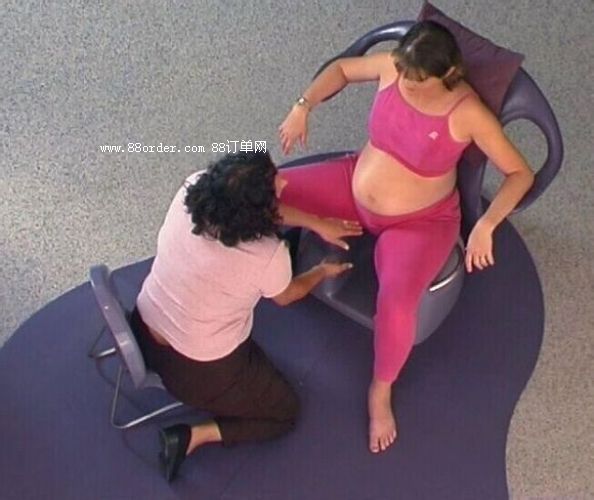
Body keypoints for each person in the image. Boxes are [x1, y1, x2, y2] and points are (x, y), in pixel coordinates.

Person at [277, 20, 535, 454]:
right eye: (403, 74)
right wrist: (302, 106)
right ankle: (270, 258)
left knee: (396, 303)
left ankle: (381, 390)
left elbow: (519, 173)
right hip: (354, 186)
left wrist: (487, 225)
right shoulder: (394, 67)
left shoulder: (467, 112)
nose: (407, 86)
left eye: (417, 81)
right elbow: (342, 69)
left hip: (420, 222)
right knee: (267, 187)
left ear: (447, 74)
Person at [131, 151, 353, 482]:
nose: (285, 182)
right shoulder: (266, 256)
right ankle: (195, 436)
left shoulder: (193, 187)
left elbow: (253, 211)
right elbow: (287, 295)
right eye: (275, 183)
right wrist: (321, 271)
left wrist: (315, 222)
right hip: (198, 371)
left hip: (142, 326)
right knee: (284, 413)